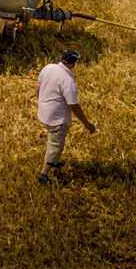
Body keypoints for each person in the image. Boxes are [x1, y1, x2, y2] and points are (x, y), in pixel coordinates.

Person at [36, 50, 96, 183]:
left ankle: (53, 161)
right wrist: (87, 123)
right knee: (55, 145)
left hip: (44, 112)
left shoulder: (48, 68)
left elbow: (37, 85)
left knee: (54, 139)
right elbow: (74, 105)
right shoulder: (67, 81)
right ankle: (44, 174)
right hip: (57, 118)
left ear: (60, 58)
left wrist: (40, 101)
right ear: (73, 64)